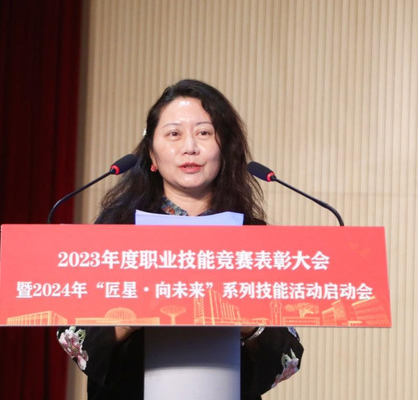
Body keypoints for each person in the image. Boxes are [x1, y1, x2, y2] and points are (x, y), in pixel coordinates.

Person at [57, 79, 304, 399]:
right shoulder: (115, 232)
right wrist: (133, 314)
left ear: (225, 149)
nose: (190, 147)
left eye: (204, 133)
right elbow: (74, 337)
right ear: (152, 154)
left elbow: (289, 355)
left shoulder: (253, 238)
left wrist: (247, 322)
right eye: (174, 134)